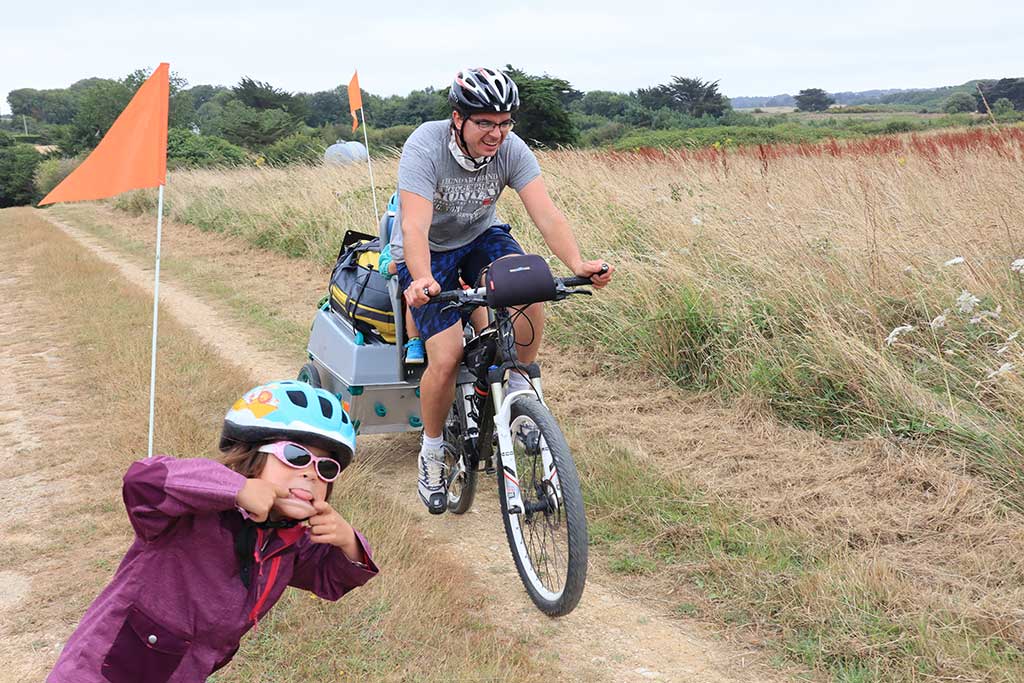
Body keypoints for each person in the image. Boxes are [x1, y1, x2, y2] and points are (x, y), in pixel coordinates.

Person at [389, 67, 614, 514]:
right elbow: (413, 225)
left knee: (530, 279)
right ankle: (432, 451)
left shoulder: (512, 150)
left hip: (480, 237)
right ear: (459, 119)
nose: (497, 133)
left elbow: (545, 213)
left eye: (505, 122)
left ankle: (517, 386)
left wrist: (577, 263)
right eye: (485, 123)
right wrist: (419, 278)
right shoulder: (425, 145)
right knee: (448, 356)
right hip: (428, 251)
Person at [47, 381, 378, 683]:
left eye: (326, 467)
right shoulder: (189, 516)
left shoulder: (289, 543)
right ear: (250, 455)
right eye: (295, 455)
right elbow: (143, 482)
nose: (310, 474)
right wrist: (236, 489)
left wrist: (348, 541)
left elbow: (330, 580)